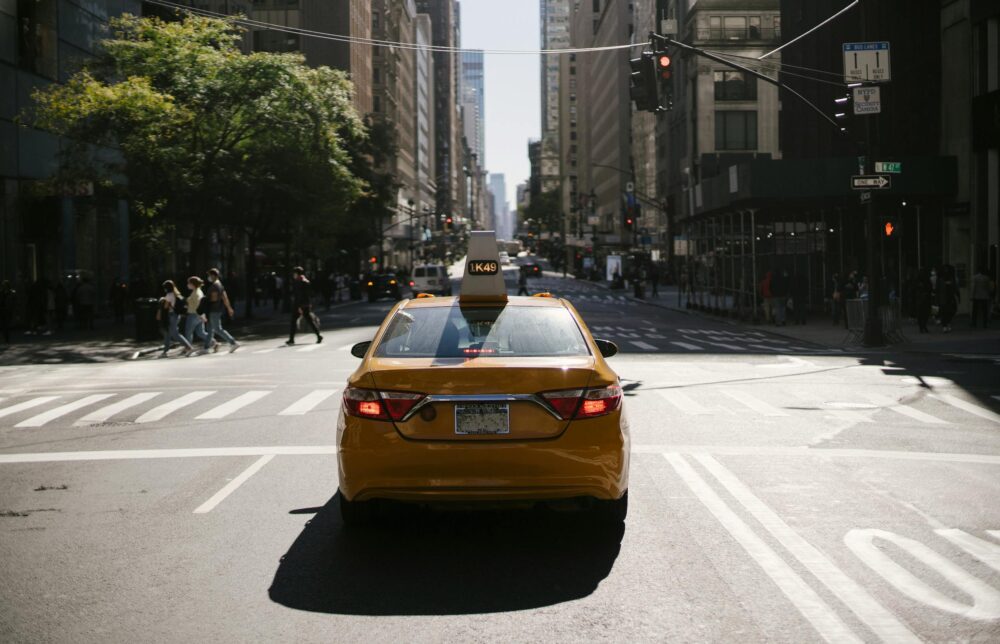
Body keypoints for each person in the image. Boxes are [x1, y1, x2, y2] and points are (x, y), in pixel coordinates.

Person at [203, 268, 239, 352]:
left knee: (217, 329)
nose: (208, 277)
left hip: (213, 310)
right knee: (210, 329)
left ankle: (233, 342)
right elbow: (225, 298)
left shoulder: (214, 286)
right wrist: (229, 308)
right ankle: (206, 347)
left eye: (209, 275)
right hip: (217, 309)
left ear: (213, 275)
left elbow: (214, 299)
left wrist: (205, 300)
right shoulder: (220, 284)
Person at [286, 266, 322, 345]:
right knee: (309, 320)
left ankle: (291, 339)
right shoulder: (305, 281)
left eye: (294, 273)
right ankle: (318, 335)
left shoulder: (299, 282)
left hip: (300, 304)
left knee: (294, 321)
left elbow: (299, 295)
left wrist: (299, 306)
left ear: (296, 273)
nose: (293, 275)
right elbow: (309, 294)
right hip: (305, 303)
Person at [157, 280, 193, 357]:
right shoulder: (176, 293)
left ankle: (189, 347)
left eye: (165, 288)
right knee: (167, 333)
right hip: (176, 315)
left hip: (172, 315)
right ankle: (165, 352)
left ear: (167, 288)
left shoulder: (169, 295)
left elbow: (166, 306)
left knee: (175, 334)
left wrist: (163, 300)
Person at [183, 276, 214, 350]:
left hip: (194, 315)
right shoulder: (197, 291)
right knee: (200, 333)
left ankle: (188, 348)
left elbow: (198, 304)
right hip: (198, 315)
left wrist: (202, 315)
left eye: (189, 283)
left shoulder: (196, 293)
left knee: (188, 332)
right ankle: (214, 342)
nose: (187, 285)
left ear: (192, 284)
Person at [937, 265, 959, 333]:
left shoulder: (950, 279)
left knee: (949, 311)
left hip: (948, 298)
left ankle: (946, 324)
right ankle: (945, 325)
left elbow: (955, 288)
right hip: (945, 298)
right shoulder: (941, 279)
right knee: (945, 312)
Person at [914, 268, 933, 333]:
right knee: (923, 314)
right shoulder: (922, 280)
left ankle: (922, 327)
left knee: (922, 314)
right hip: (923, 299)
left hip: (923, 299)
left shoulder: (920, 280)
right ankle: (923, 326)